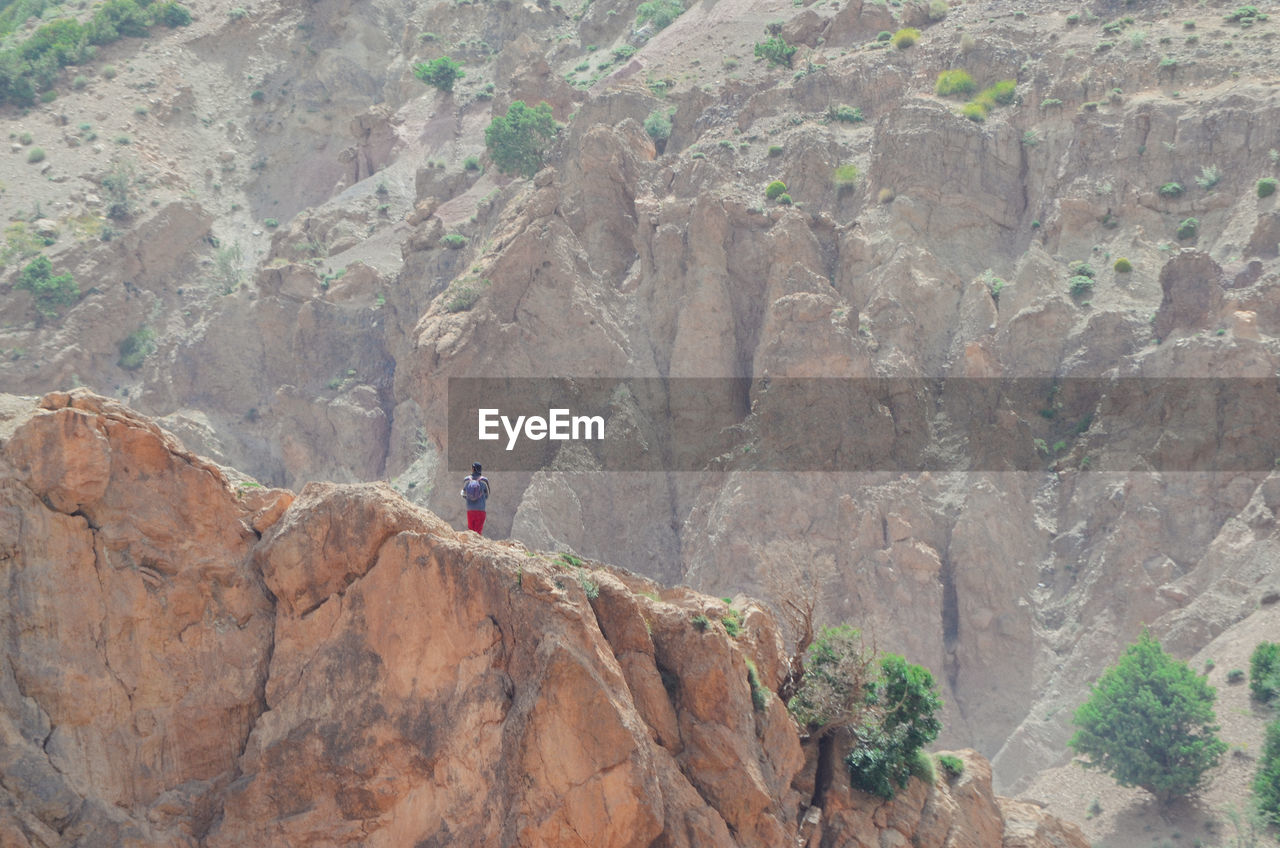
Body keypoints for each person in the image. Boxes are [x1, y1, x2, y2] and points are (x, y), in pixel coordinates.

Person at [461, 462, 490, 535]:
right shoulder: (484, 480)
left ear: (473, 469)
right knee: (478, 532)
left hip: (470, 509)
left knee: (471, 532)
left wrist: (469, 498)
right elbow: (487, 494)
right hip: (480, 509)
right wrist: (481, 499)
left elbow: (463, 494)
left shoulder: (466, 480)